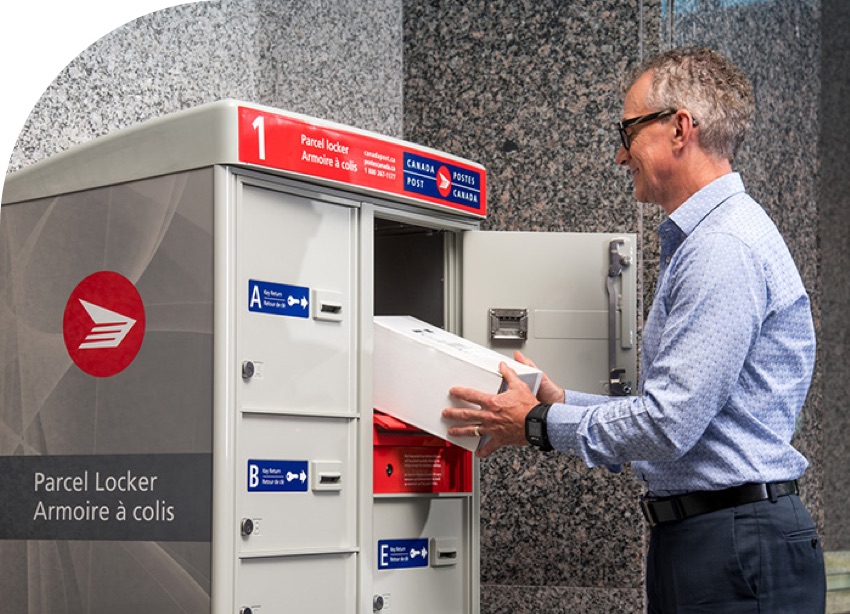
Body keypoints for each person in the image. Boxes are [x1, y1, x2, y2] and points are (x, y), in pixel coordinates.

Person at [442, 46, 826, 612]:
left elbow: (670, 424)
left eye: (628, 131)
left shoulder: (721, 247)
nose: (621, 156)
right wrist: (563, 401)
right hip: (717, 537)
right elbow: (682, 414)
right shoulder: (711, 240)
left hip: (734, 543)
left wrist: (541, 423)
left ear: (680, 129)